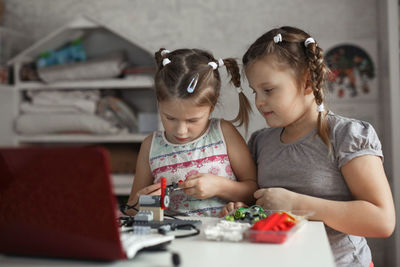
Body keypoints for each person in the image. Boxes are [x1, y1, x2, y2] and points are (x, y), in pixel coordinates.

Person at [220, 26, 395, 267]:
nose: (259, 102)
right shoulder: (261, 141)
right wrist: (244, 211)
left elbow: (382, 221)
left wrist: (296, 204)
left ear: (307, 83)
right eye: (255, 92)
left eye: (268, 90)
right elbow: (266, 204)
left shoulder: (346, 135)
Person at [125, 48, 258, 217]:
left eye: (192, 120)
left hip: (220, 236)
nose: (181, 130)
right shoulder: (151, 146)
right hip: (174, 238)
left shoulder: (224, 133)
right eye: (170, 118)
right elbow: (130, 209)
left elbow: (254, 191)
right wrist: (142, 202)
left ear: (212, 104)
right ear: (158, 101)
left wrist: (219, 186)